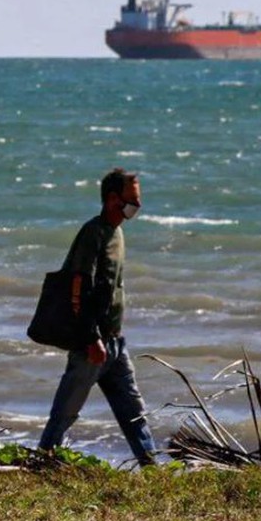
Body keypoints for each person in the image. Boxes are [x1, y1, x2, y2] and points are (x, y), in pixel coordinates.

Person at [37, 168, 157, 466]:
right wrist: (91, 338)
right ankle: (41, 464)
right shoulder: (93, 232)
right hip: (92, 345)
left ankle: (152, 468)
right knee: (65, 412)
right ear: (113, 199)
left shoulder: (118, 233)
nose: (138, 206)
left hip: (115, 343)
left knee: (134, 412)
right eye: (132, 200)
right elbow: (78, 286)